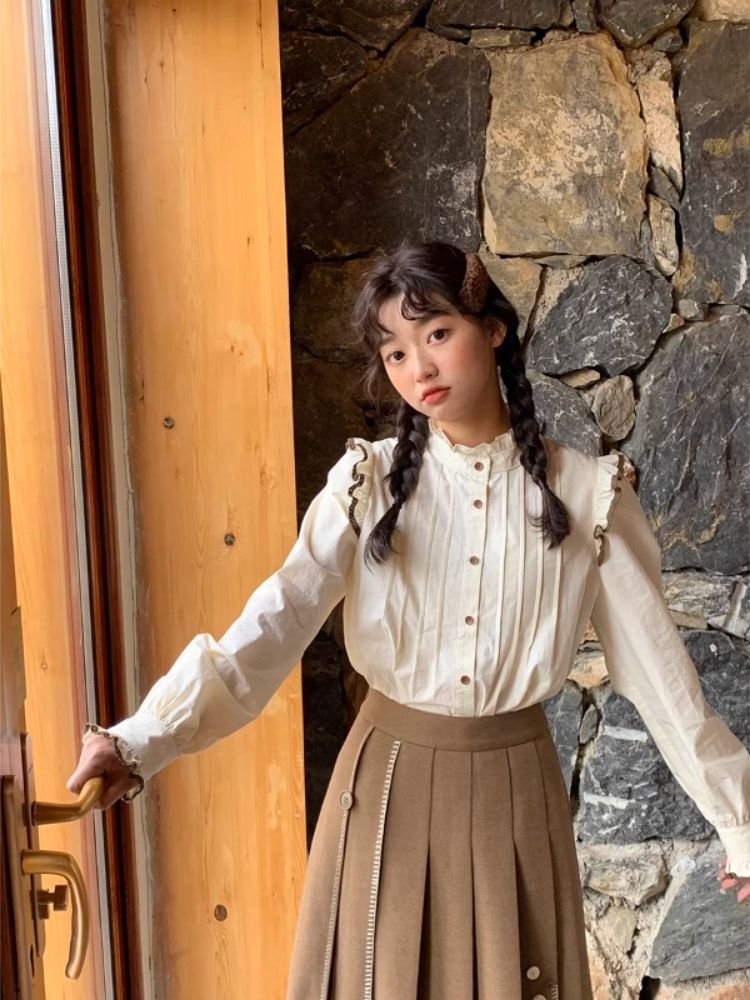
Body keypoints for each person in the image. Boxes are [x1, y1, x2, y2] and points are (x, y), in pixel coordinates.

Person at [68, 242, 750, 998]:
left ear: (493, 329)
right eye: (395, 351)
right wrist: (140, 739)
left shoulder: (590, 495)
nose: (418, 367)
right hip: (383, 787)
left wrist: (741, 823)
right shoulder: (367, 483)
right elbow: (272, 623)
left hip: (513, 797)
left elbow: (661, 676)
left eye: (437, 334)